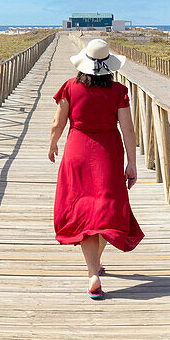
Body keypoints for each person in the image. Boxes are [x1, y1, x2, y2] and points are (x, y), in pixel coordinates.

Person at [48, 38, 143, 299]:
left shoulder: (69, 87)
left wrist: (52, 144)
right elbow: (129, 129)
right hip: (108, 155)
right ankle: (94, 270)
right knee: (105, 213)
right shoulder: (118, 91)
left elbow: (58, 123)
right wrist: (132, 163)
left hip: (76, 152)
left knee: (84, 213)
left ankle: (93, 272)